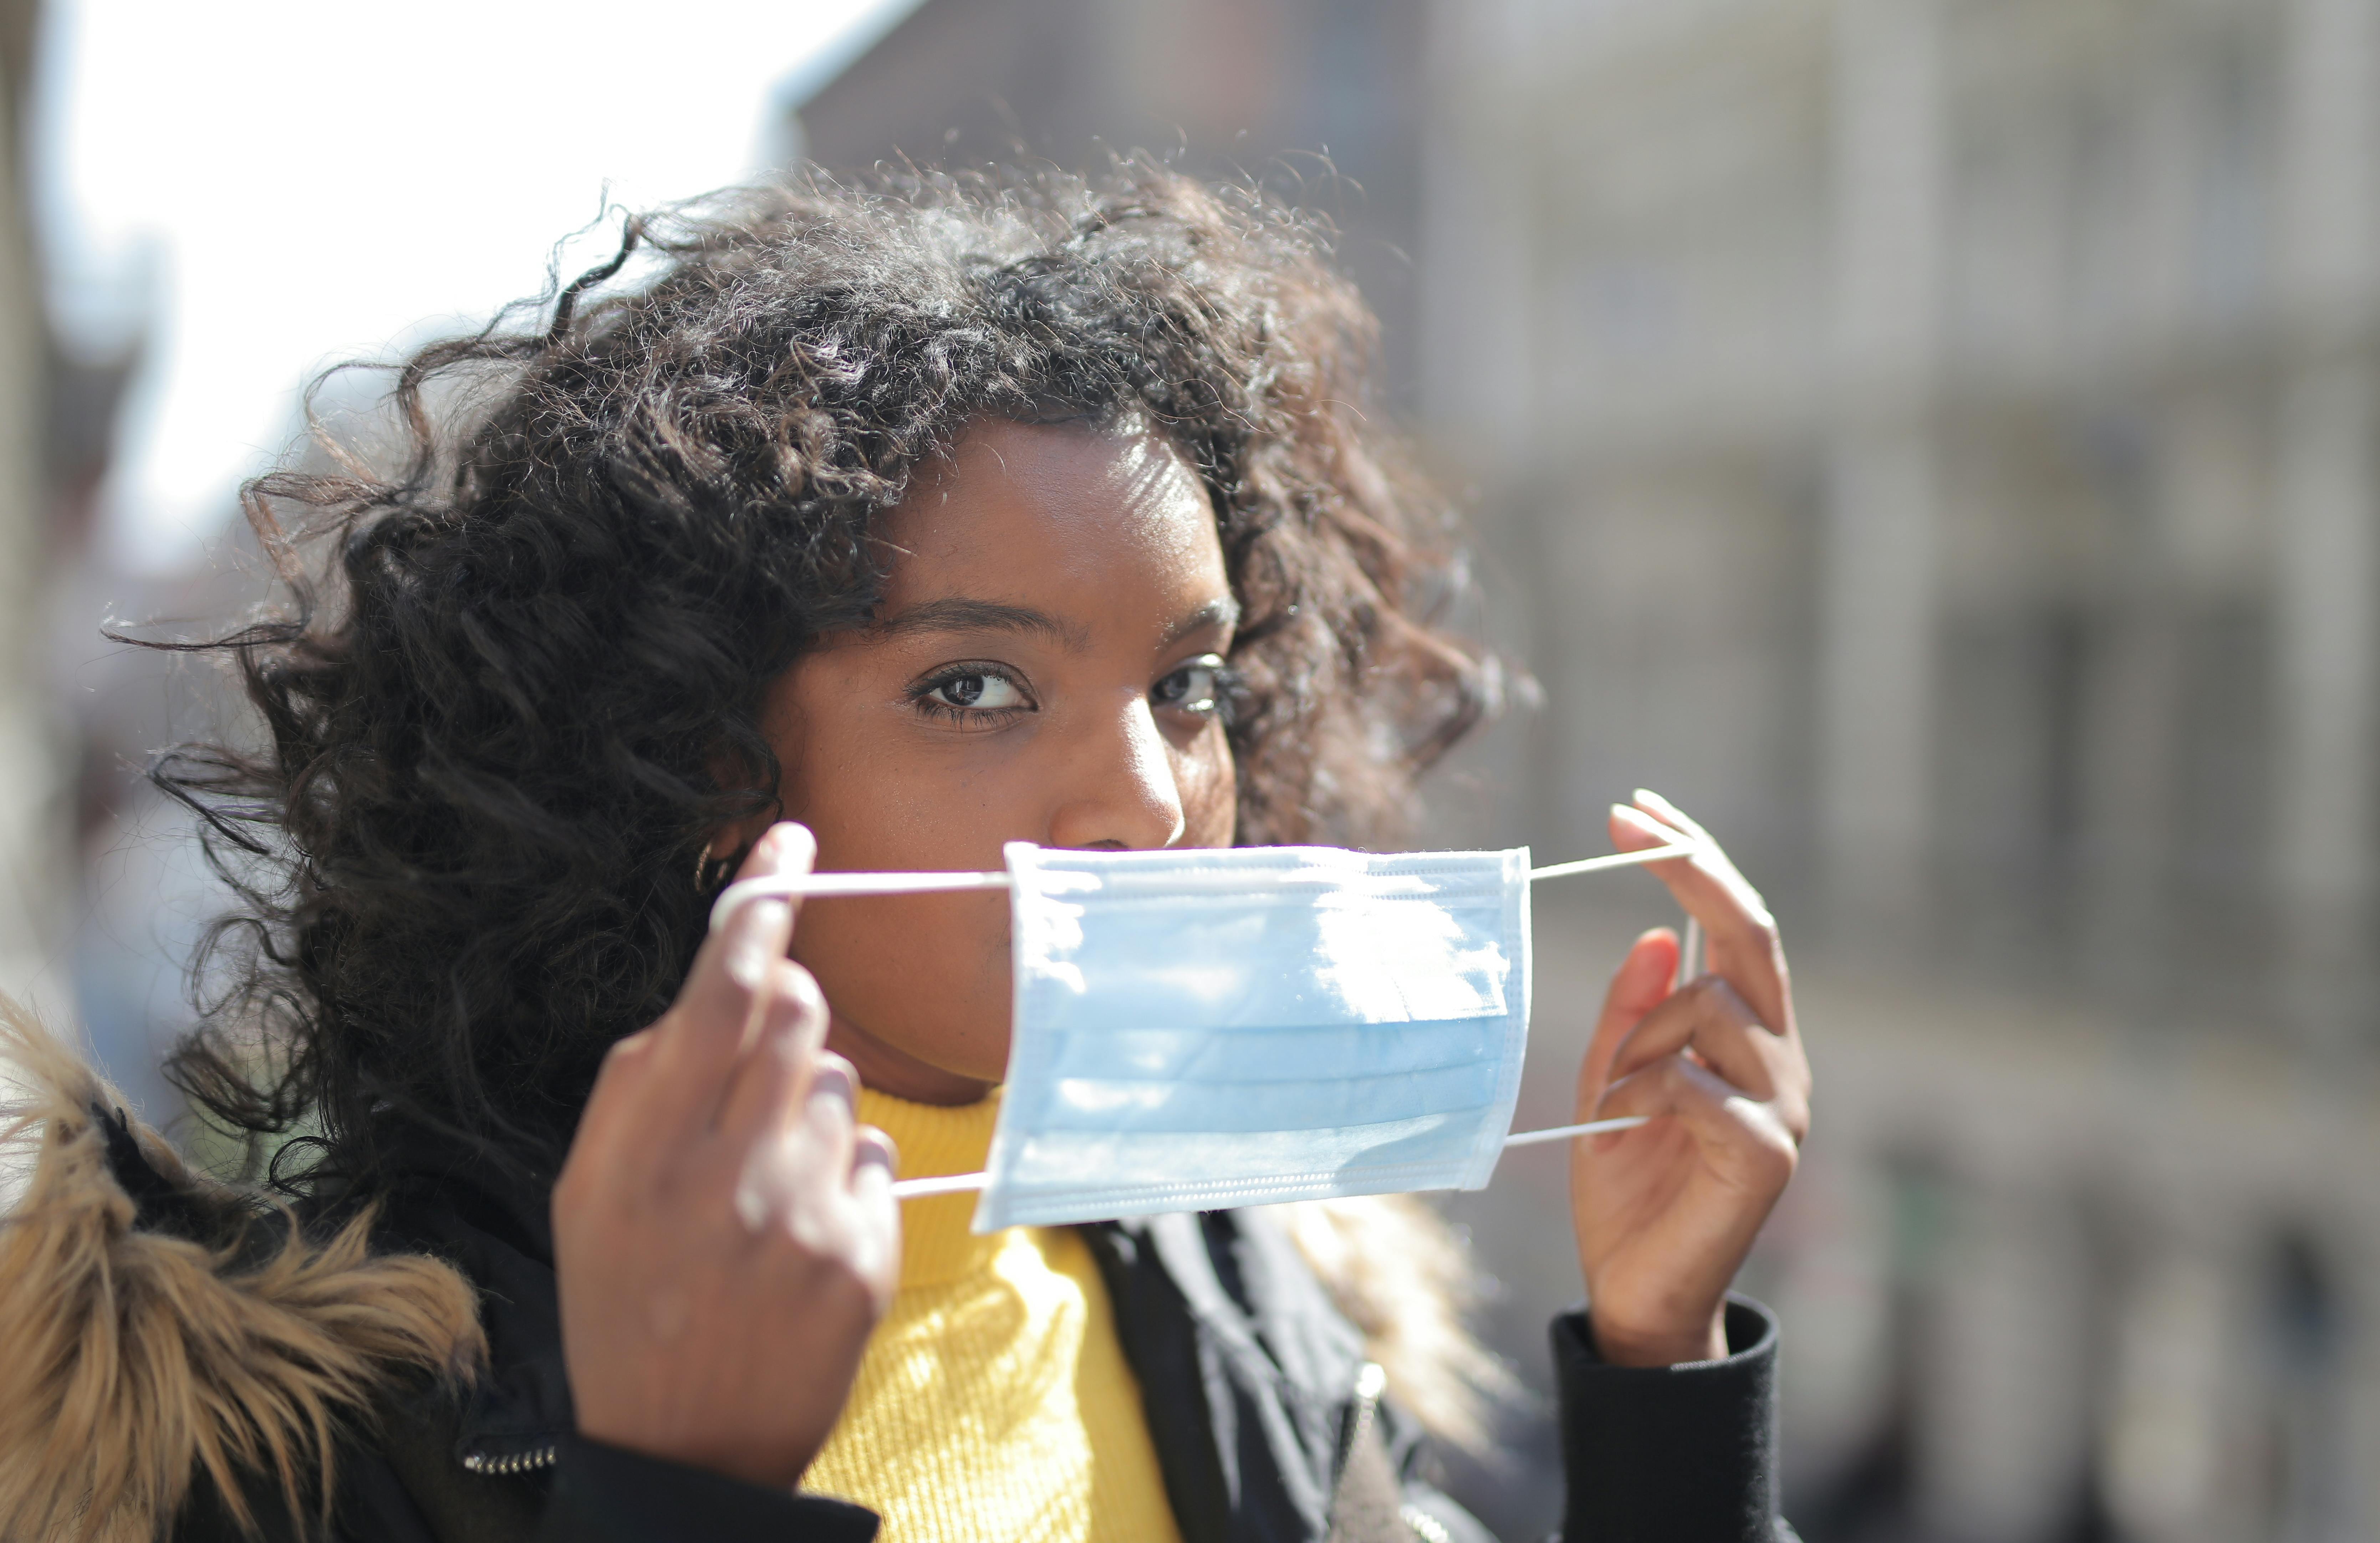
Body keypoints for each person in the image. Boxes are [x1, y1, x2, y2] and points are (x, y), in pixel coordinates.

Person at [0, 162, 1811, 1543]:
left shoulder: (1266, 1290)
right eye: (972, 683)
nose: (1150, 798)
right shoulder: (293, 1424)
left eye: (1187, 682)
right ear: (695, 757)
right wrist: (679, 1483)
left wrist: (1663, 1380)